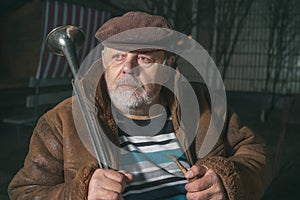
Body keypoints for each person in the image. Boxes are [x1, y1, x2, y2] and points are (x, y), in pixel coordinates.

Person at [8, 11, 272, 200]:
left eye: (143, 58)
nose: (127, 68)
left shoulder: (206, 104)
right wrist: (78, 193)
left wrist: (228, 181)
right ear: (103, 59)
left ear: (167, 65)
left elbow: (259, 155)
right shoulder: (61, 122)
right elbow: (24, 192)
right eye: (118, 57)